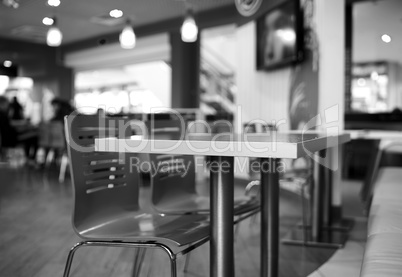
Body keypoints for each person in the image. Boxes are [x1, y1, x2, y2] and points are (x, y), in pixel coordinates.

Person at [0, 96, 38, 163]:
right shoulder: (2, 114)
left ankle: (29, 158)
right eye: (7, 104)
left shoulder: (4, 114)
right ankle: (30, 158)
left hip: (9, 137)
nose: (8, 106)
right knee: (34, 136)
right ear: (2, 104)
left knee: (31, 135)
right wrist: (24, 124)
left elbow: (10, 125)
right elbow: (10, 125)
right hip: (11, 139)